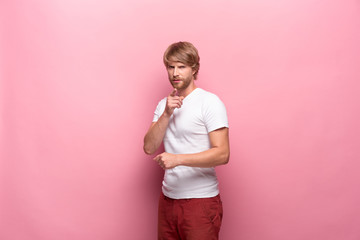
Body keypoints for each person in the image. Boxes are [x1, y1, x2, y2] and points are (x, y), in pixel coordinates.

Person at [143, 41, 230, 240]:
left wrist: (178, 159)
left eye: (181, 67)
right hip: (168, 200)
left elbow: (223, 154)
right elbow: (149, 147)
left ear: (194, 68)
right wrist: (166, 114)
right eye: (171, 67)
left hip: (200, 201)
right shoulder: (163, 105)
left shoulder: (209, 102)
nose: (175, 73)